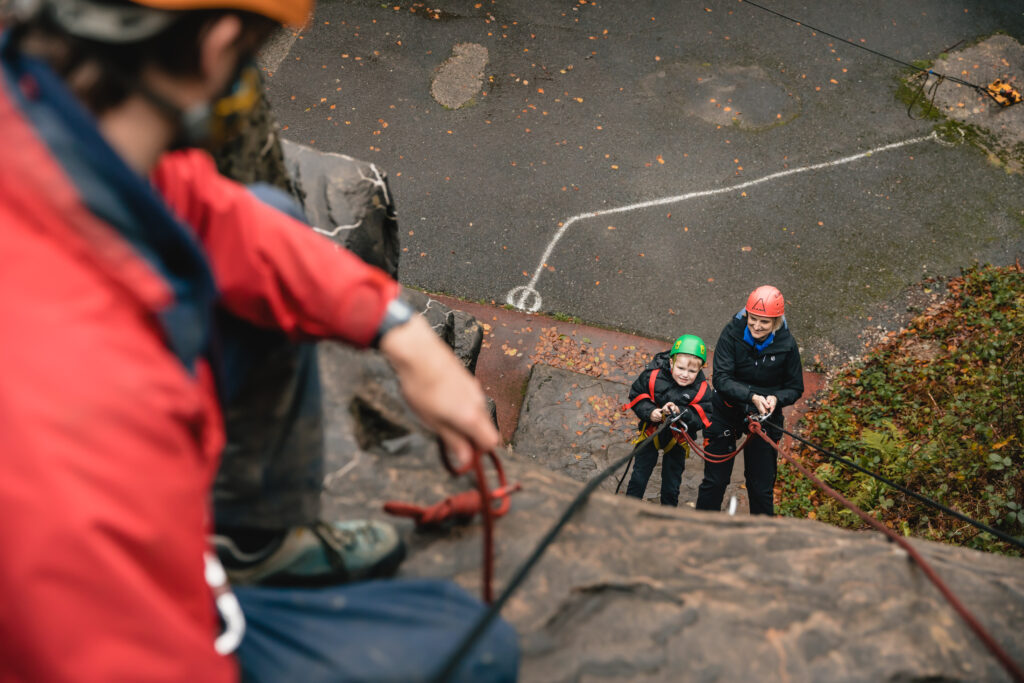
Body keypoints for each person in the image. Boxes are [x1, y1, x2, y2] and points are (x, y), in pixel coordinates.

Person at [0, 1, 517, 680]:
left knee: (266, 214)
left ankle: (254, 540)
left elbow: (218, 215)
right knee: (472, 647)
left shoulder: (46, 123)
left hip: (127, 561)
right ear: (218, 45)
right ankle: (231, 555)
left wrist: (403, 334)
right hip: (143, 625)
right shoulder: (81, 402)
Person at [695, 285, 804, 516]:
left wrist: (776, 398)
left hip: (765, 416)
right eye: (753, 319)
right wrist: (751, 397)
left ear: (776, 321)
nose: (756, 325)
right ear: (747, 314)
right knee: (714, 482)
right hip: (726, 411)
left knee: (761, 487)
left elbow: (795, 387)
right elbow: (722, 379)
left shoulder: (787, 345)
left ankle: (761, 538)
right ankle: (701, 528)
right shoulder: (732, 334)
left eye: (764, 322)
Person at [622, 334, 713, 507]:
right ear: (671, 363)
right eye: (680, 368)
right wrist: (651, 412)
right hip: (651, 432)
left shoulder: (701, 390)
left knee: (671, 486)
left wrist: (682, 412)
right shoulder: (653, 376)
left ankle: (667, 514)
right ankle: (629, 508)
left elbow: (704, 416)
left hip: (678, 439)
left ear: (700, 369)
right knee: (639, 477)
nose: (685, 375)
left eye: (692, 371)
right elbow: (637, 395)